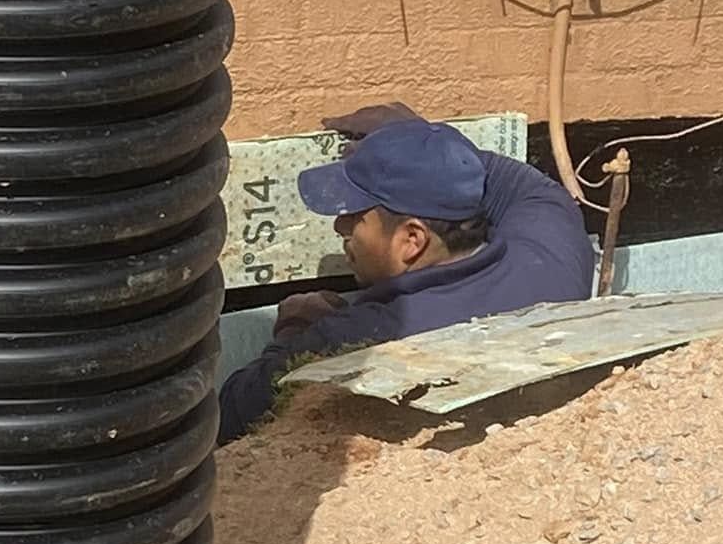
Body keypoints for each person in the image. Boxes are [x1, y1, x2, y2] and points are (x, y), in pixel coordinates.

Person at [217, 106, 595, 444]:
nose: (339, 225)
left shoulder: (359, 336)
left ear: (412, 240)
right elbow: (521, 185)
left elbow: (232, 414)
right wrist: (424, 147)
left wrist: (293, 333)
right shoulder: (552, 258)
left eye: (356, 215)